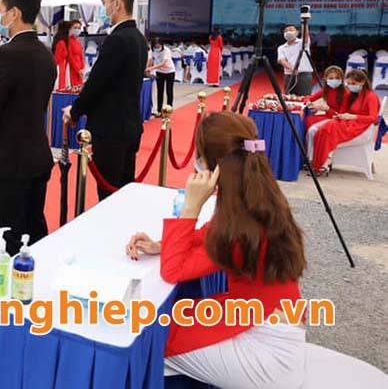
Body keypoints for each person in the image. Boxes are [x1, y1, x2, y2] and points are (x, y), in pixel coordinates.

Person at [126, 112, 307, 389]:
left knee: (151, 339)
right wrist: (161, 245)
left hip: (267, 352)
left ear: (215, 166)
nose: (197, 163)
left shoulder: (240, 227)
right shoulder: (258, 197)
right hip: (268, 323)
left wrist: (191, 207)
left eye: (200, 156)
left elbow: (173, 271)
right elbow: (208, 234)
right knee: (173, 319)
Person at [0, 0, 55, 256]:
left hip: (10, 161)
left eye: (0, 10)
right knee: (34, 232)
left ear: (15, 13)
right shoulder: (46, 54)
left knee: (8, 237)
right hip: (37, 156)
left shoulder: (6, 55)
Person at [62, 0, 148, 200]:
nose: (104, 8)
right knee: (123, 193)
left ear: (117, 4)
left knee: (109, 195)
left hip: (111, 130)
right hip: (129, 125)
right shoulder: (138, 38)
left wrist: (75, 111)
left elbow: (97, 83)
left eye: (104, 3)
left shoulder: (117, 39)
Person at [309, 69, 380, 174]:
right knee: (326, 129)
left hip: (360, 126)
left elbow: (374, 118)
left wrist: (353, 116)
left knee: (330, 129)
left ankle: (324, 162)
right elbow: (341, 112)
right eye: (349, 83)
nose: (350, 86)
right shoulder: (351, 95)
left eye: (353, 84)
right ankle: (321, 161)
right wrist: (340, 115)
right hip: (347, 122)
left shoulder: (371, 96)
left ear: (362, 82)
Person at [302, 65, 345, 131]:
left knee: (312, 125)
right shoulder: (326, 90)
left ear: (342, 79)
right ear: (325, 79)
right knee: (308, 120)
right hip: (327, 116)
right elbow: (308, 99)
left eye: (337, 78)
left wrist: (327, 109)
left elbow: (342, 115)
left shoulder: (345, 93)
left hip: (338, 119)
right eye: (331, 78)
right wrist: (311, 105)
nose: (334, 80)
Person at [277, 24, 313, 96]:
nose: (288, 32)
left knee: (304, 97)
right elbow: (281, 60)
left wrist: (304, 23)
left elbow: (305, 35)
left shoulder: (302, 43)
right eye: (286, 31)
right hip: (288, 75)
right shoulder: (281, 47)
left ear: (297, 32)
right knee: (289, 98)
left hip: (303, 75)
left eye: (291, 30)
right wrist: (293, 69)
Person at [146, 37, 176, 115]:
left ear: (162, 44)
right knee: (160, 91)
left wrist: (151, 68)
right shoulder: (152, 50)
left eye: (158, 46)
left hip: (169, 71)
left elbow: (163, 63)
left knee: (169, 91)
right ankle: (159, 110)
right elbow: (150, 60)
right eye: (155, 46)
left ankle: (169, 109)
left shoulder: (166, 50)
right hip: (159, 72)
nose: (157, 48)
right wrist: (146, 68)